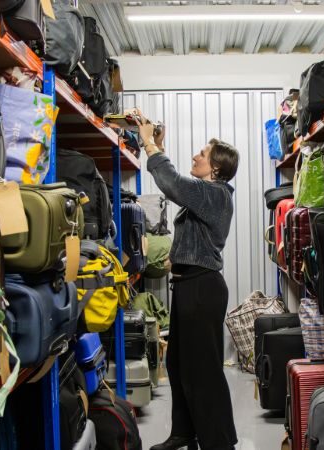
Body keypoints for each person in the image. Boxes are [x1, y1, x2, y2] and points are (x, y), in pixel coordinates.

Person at [138, 115, 239, 450]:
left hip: (201, 290)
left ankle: (219, 443)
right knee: (178, 363)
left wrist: (150, 144)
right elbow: (195, 233)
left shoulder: (215, 194)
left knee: (204, 372)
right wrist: (175, 257)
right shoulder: (208, 194)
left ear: (216, 169)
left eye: (202, 154)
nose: (196, 156)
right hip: (187, 286)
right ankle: (184, 432)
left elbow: (173, 184)